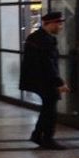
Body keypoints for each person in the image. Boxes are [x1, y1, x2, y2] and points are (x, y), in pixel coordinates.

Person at [20, 11, 70, 150]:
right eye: (58, 24)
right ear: (50, 24)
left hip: (39, 79)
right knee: (50, 110)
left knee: (48, 109)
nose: (60, 27)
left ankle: (37, 135)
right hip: (43, 80)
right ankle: (47, 138)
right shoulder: (44, 40)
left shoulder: (37, 37)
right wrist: (59, 82)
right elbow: (48, 64)